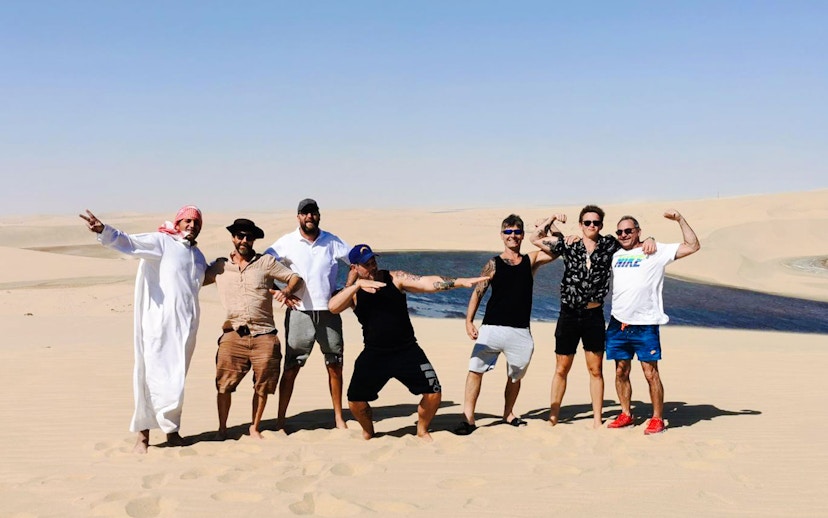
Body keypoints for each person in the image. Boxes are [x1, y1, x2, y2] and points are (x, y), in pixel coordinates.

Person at [79, 206, 208, 453]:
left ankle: (172, 433)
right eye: (187, 221)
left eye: (196, 222)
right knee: (150, 378)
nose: (192, 225)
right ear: (178, 222)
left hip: (186, 331)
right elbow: (129, 242)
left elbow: (197, 281)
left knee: (175, 381)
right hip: (158, 327)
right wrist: (104, 231)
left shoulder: (198, 256)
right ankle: (143, 437)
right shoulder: (162, 242)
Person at [328, 244, 488, 441]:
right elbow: (333, 308)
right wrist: (356, 285)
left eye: (373, 261)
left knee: (433, 393)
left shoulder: (394, 278)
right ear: (355, 268)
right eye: (366, 264)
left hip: (406, 350)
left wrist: (460, 282)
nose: (372, 266)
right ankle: (368, 431)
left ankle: (422, 429)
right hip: (374, 353)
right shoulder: (353, 292)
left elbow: (427, 282)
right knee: (355, 400)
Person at [532, 206, 655, 428]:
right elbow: (534, 238)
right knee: (561, 368)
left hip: (594, 315)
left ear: (601, 225)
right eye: (587, 222)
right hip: (568, 313)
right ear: (580, 224)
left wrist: (651, 238)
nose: (591, 226)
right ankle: (553, 417)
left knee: (595, 370)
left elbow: (633, 243)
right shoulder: (569, 244)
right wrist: (550, 219)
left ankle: (597, 420)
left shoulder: (609, 245)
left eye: (596, 223)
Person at [456, 214, 557, 435]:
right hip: (491, 328)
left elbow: (557, 249)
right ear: (502, 236)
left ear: (522, 235)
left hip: (520, 332)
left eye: (517, 232)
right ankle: (468, 418)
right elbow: (478, 292)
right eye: (508, 232)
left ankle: (508, 413)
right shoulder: (494, 263)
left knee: (515, 376)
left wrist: (547, 225)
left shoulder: (531, 260)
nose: (512, 236)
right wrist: (469, 321)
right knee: (475, 370)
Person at [205, 218, 305, 439]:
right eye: (240, 236)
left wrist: (286, 292)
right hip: (233, 334)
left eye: (248, 237)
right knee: (224, 384)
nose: (244, 240)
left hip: (264, 336)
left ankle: (254, 427)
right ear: (233, 237)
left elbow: (295, 278)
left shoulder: (266, 263)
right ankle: (223, 429)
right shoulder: (220, 267)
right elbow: (193, 280)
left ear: (253, 239)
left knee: (263, 386)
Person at [605, 210, 700, 435]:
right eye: (620, 232)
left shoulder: (656, 251)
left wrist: (680, 219)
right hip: (618, 322)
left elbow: (693, 245)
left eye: (629, 230)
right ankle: (626, 414)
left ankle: (657, 418)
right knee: (620, 371)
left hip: (645, 323)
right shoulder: (616, 255)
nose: (624, 234)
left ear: (638, 231)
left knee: (650, 372)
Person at [264, 198, 350, 430]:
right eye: (305, 213)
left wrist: (348, 290)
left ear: (318, 216)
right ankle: (281, 420)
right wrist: (277, 290)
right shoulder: (287, 242)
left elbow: (357, 262)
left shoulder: (331, 241)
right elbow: (263, 264)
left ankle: (339, 418)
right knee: (291, 367)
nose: (309, 217)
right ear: (298, 217)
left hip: (329, 311)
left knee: (335, 365)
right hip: (299, 313)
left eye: (313, 212)